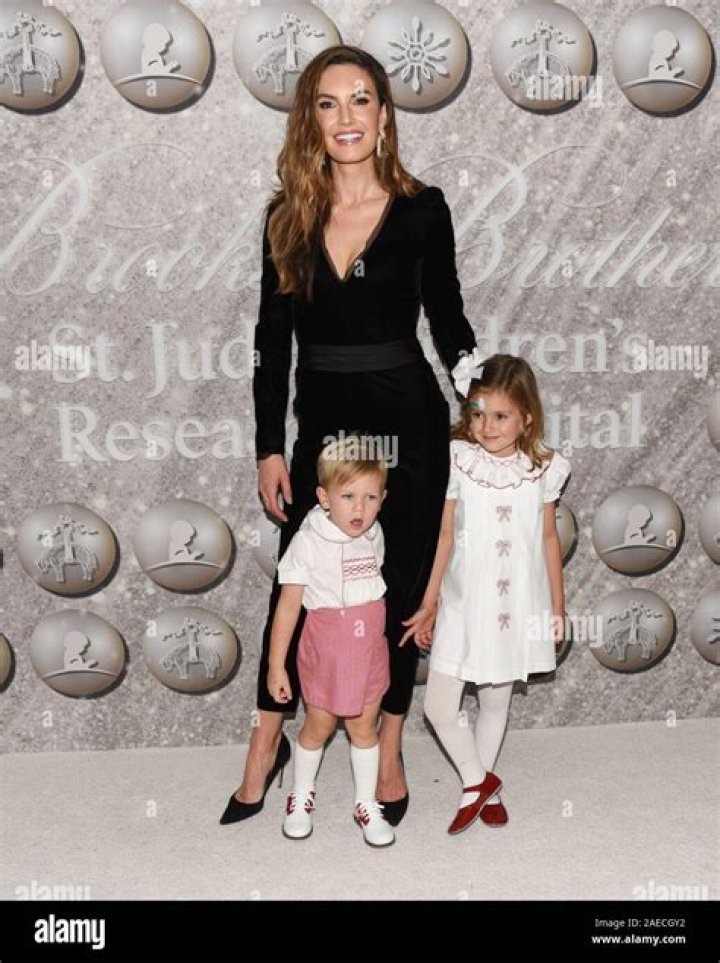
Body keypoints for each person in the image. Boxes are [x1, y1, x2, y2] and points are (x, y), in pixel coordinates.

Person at [220, 44, 483, 827]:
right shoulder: (287, 215)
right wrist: (269, 444)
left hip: (409, 417)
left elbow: (448, 317)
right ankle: (266, 740)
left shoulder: (423, 208)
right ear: (310, 119)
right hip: (325, 427)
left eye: (361, 99)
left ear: (384, 114)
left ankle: (389, 741)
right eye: (328, 102)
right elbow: (271, 339)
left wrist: (477, 387)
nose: (346, 117)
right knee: (299, 580)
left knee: (396, 585)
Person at [400, 354, 571, 835]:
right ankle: (480, 781)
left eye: (500, 416)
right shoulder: (458, 459)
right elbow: (445, 535)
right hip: (463, 601)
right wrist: (431, 601)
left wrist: (558, 608)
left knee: (495, 702)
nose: (486, 426)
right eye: (477, 414)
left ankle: (477, 789)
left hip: (516, 605)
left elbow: (548, 538)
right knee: (439, 707)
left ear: (527, 418)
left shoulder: (543, 468)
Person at [267, 435, 394, 847]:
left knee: (364, 727)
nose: (359, 509)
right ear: (324, 497)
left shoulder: (374, 534)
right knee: (318, 726)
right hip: (327, 649)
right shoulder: (308, 541)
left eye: (370, 498)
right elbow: (288, 607)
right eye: (348, 496)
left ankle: (366, 802)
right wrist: (276, 666)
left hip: (369, 646)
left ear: (382, 499)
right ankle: (301, 795)